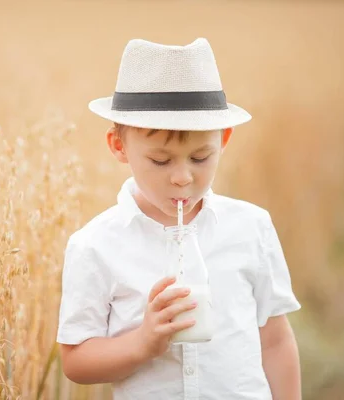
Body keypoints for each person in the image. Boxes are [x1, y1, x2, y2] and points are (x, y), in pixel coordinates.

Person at [56, 38, 302, 400]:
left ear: (225, 139)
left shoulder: (251, 228)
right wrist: (142, 343)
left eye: (201, 157)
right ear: (118, 146)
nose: (183, 178)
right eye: (160, 161)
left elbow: (276, 341)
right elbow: (75, 361)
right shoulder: (95, 245)